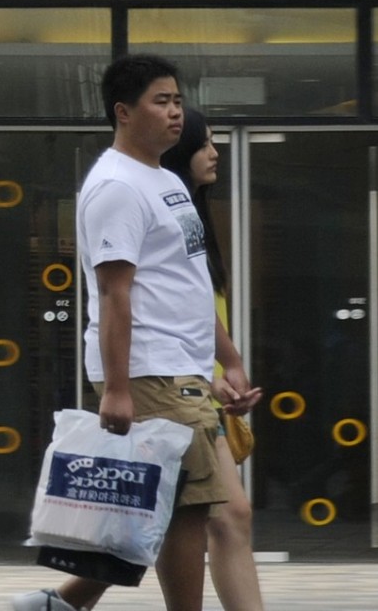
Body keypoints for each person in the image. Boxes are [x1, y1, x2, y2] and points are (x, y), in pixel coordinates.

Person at [12, 55, 255, 611]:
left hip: (181, 367)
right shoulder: (116, 186)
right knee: (187, 507)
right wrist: (117, 389)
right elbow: (113, 294)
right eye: (160, 102)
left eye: (177, 101)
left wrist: (229, 360)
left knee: (169, 504)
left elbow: (189, 282)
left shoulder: (167, 181)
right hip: (152, 368)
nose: (175, 113)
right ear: (123, 112)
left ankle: (60, 604)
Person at [161, 107, 265, 611]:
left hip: (198, 383)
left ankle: (63, 600)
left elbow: (199, 306)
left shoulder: (193, 216)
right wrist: (214, 373)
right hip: (172, 384)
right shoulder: (167, 211)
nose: (214, 152)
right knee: (216, 516)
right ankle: (63, 599)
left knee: (227, 516)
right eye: (204, 144)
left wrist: (226, 368)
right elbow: (163, 305)